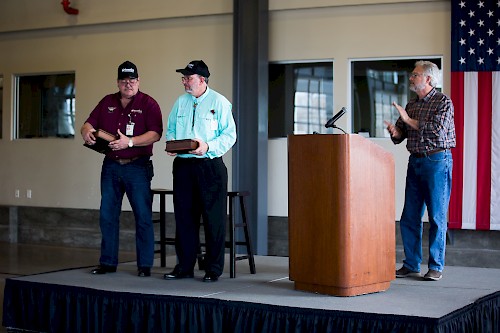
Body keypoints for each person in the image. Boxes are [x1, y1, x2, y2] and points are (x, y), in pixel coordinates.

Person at [81, 60, 163, 277]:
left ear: (138, 81)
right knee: (107, 215)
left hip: (137, 166)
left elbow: (155, 133)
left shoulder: (148, 103)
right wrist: (86, 131)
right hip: (111, 167)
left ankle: (144, 265)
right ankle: (107, 262)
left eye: (133, 80)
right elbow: (89, 123)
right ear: (118, 82)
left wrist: (131, 142)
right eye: (124, 81)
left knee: (143, 216)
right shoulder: (107, 101)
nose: (129, 84)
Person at [164, 60, 236, 282]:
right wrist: (172, 144)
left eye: (189, 78)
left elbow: (229, 135)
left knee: (213, 219)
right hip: (184, 167)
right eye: (183, 78)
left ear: (202, 80)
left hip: (209, 166)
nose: (185, 82)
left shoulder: (219, 102)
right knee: (185, 217)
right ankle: (184, 266)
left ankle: (213, 269)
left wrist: (207, 147)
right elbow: (171, 129)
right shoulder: (180, 102)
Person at [384, 60, 455, 281]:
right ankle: (411, 264)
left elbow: (436, 131)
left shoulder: (443, 102)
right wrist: (395, 130)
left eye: (415, 75)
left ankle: (435, 266)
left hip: (437, 161)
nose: (411, 78)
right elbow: (401, 135)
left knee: (436, 216)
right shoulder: (412, 104)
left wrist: (407, 119)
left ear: (428, 79)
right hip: (415, 162)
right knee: (410, 216)